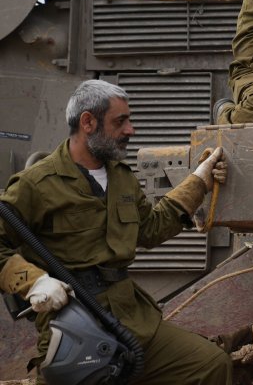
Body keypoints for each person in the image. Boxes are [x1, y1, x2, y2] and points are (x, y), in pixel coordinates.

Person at [0, 80, 232, 384]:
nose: (130, 130)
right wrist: (34, 283)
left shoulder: (121, 177)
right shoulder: (36, 183)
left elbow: (150, 228)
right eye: (120, 121)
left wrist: (199, 182)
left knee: (211, 364)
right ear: (88, 122)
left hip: (131, 320)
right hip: (74, 326)